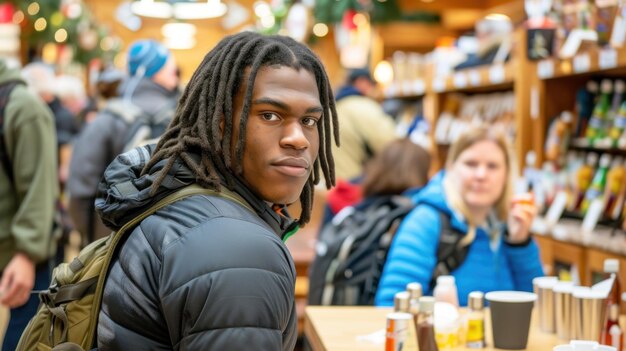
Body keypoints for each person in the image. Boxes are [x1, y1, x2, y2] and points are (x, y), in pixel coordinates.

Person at [94, 32, 338, 350]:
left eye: (309, 120)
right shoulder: (237, 251)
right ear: (219, 121)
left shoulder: (189, 199)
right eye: (270, 115)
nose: (298, 138)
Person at [375, 126, 543, 307]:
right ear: (451, 168)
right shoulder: (426, 221)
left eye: (492, 166)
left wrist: (519, 243)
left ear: (507, 175)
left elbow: (536, 305)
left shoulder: (509, 226)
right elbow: (391, 306)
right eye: (470, 164)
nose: (481, 175)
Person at [67, 39, 180, 246]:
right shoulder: (185, 118)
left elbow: (80, 190)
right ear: (155, 71)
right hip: (175, 244)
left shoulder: (107, 118)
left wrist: (94, 241)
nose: (175, 73)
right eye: (171, 69)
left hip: (114, 244)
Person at [0, 59, 59, 351]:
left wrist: (26, 253)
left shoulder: (24, 108)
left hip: (17, 253)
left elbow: (39, 185)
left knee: (24, 337)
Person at [332, 68, 397, 181]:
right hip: (350, 186)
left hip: (325, 185)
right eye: (372, 85)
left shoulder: (333, 106)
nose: (374, 90)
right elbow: (391, 147)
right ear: (362, 82)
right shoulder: (363, 107)